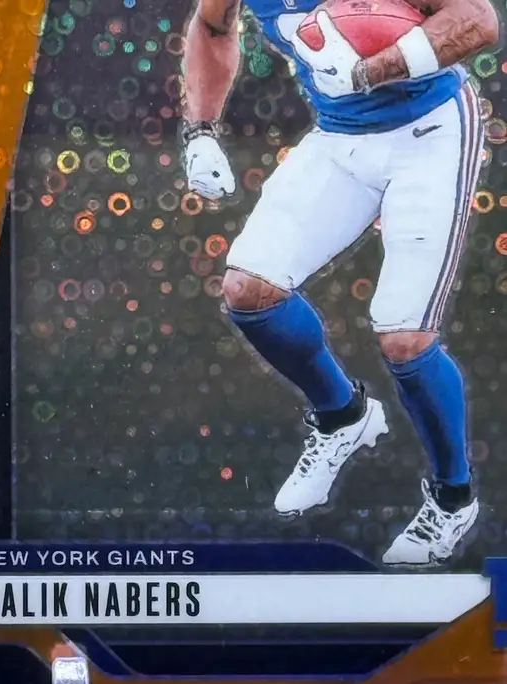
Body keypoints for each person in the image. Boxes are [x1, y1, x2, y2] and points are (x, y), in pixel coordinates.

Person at [182, 0, 500, 564]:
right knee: (248, 291)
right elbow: (212, 24)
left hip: (429, 132)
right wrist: (200, 131)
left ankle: (453, 498)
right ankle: (343, 416)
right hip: (338, 135)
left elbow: (478, 19)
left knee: (405, 339)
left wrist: (371, 70)